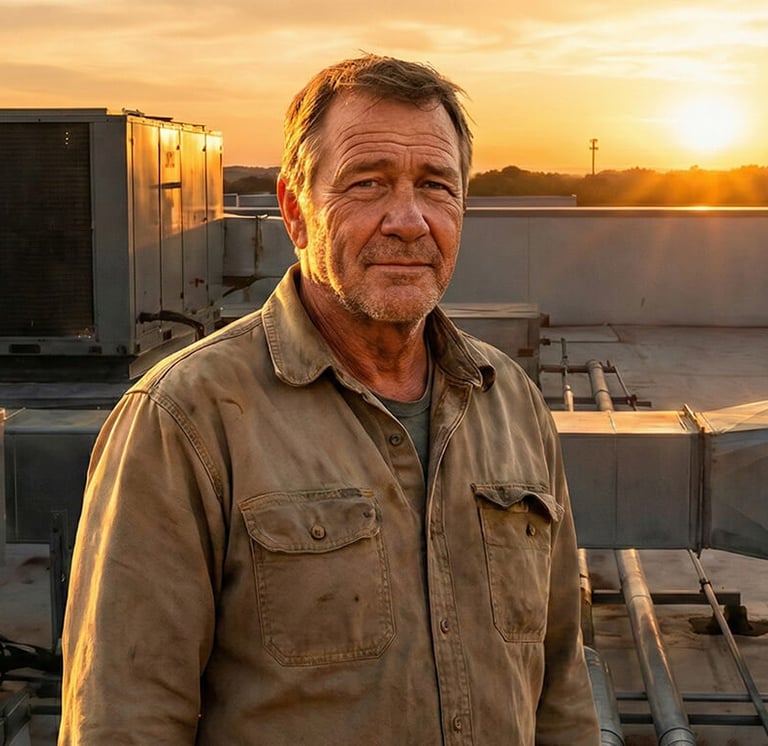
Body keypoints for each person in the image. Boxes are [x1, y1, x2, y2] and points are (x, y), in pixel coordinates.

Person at [60, 54, 599, 745]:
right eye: (367, 184)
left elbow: (561, 685)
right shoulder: (185, 418)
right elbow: (123, 718)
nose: (408, 220)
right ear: (295, 209)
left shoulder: (512, 404)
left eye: (435, 185)